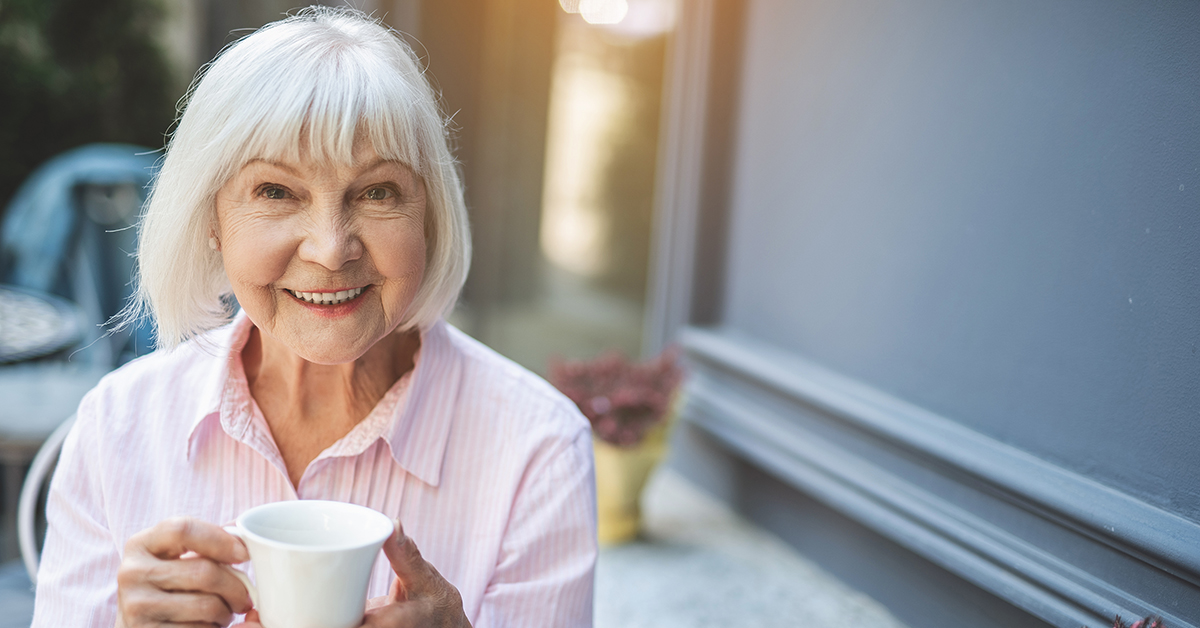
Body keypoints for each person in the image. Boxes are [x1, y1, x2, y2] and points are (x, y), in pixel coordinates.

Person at [30, 7, 597, 628]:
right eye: (276, 192)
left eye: (378, 192)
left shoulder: (539, 449)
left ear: (428, 219)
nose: (331, 248)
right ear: (211, 222)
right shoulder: (116, 426)